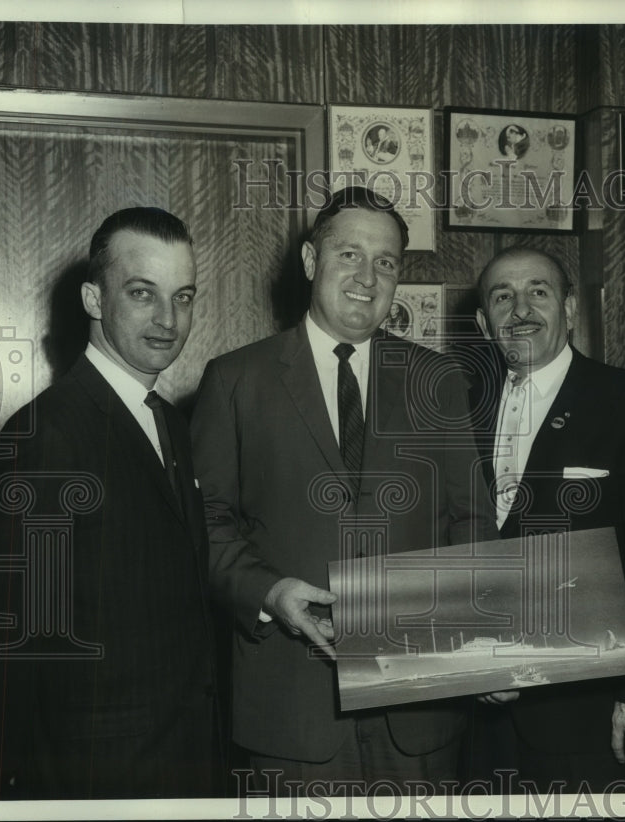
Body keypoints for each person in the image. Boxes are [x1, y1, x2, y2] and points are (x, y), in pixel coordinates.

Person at [190, 186, 496, 792]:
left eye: (385, 262)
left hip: (419, 710)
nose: (367, 276)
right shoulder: (235, 379)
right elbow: (204, 521)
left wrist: (493, 640)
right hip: (289, 708)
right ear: (309, 261)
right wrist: (269, 591)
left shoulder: (437, 381)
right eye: (348, 254)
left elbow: (471, 522)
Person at [0, 207, 218, 799]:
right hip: (95, 777)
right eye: (143, 293)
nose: (169, 319)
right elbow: (15, 648)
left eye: (183, 296)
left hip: (185, 762)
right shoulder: (44, 436)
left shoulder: (170, 423)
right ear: (93, 298)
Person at [466, 247, 625, 793]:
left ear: (569, 308)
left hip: (594, 713)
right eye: (503, 297)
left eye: (537, 292)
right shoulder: (459, 408)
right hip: (478, 712)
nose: (521, 310)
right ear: (481, 322)